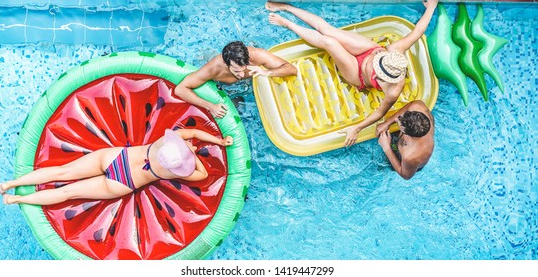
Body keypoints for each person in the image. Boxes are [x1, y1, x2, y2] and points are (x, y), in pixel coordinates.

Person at [266, 0, 438, 147]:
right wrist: (431, 7)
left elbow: (379, 113)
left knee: (329, 43)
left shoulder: (393, 90)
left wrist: (356, 128)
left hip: (357, 75)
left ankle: (287, 23)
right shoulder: (395, 51)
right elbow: (417, 32)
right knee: (328, 30)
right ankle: (287, 8)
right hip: (369, 50)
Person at [0, 129, 233, 205]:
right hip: (122, 182)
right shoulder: (172, 170)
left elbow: (191, 133)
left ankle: (10, 184)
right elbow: (202, 175)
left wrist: (191, 146)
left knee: (63, 172)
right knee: (69, 193)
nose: (191, 145)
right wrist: (193, 157)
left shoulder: (162, 142)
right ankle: (16, 200)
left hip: (115, 158)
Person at [175, 41, 297, 118]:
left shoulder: (257, 56)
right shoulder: (214, 68)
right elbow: (180, 89)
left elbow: (292, 69)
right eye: (236, 71)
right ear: (226, 64)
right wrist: (210, 106)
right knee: (234, 107)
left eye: (244, 70)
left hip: (248, 83)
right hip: (225, 85)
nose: (242, 75)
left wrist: (267, 72)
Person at [376, 100, 434, 180]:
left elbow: (406, 176)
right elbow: (412, 104)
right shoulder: (419, 109)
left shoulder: (411, 156)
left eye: (400, 121)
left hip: (406, 163)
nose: (396, 119)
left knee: (379, 164)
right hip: (403, 141)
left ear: (405, 132)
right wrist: (387, 123)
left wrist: (386, 148)